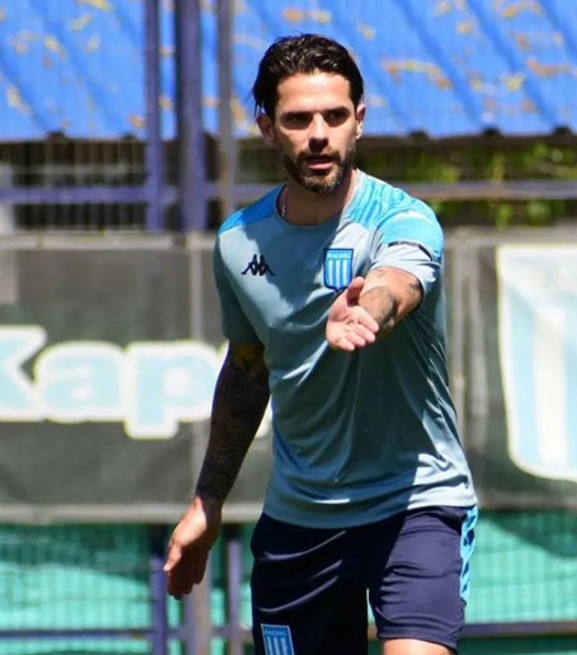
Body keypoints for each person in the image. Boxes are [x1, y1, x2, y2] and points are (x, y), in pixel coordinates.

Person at [161, 34, 477, 655]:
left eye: (334, 116)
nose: (318, 134)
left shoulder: (403, 218)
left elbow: (399, 280)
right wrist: (207, 502)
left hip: (414, 504)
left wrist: (371, 308)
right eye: (298, 119)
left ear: (359, 120)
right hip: (300, 522)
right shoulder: (238, 242)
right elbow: (248, 372)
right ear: (267, 129)